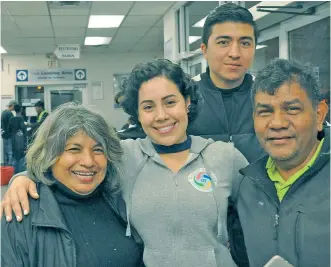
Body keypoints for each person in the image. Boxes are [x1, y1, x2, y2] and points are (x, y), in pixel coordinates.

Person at [1, 59, 248, 267]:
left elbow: (257, 211)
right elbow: (70, 163)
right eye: (148, 107)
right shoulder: (123, 156)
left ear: (187, 102)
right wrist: (22, 178)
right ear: (138, 114)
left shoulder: (225, 156)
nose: (161, 115)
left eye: (170, 102)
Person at [1, 103, 143, 267]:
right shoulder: (20, 213)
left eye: (98, 150)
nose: (89, 162)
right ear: (50, 155)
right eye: (74, 149)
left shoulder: (119, 198)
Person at [228, 59, 330, 266]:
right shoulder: (248, 186)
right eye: (264, 111)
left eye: (292, 109)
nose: (277, 124)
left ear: (319, 114)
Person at [187, 3, 265, 163]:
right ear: (204, 50)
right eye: (223, 42)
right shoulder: (185, 98)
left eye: (245, 43)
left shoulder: (270, 96)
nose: (235, 53)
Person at [7, 104, 27, 173]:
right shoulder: (21, 119)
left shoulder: (11, 119)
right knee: (21, 156)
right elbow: (24, 131)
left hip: (13, 140)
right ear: (21, 110)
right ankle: (20, 172)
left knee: (14, 156)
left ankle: (14, 172)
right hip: (20, 140)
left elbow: (8, 130)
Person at [1, 100, 17, 165]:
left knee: (5, 152)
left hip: (4, 135)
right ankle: (10, 166)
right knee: (10, 152)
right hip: (9, 136)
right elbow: (13, 125)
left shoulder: (3, 113)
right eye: (14, 106)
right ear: (12, 105)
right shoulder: (9, 114)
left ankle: (5, 166)